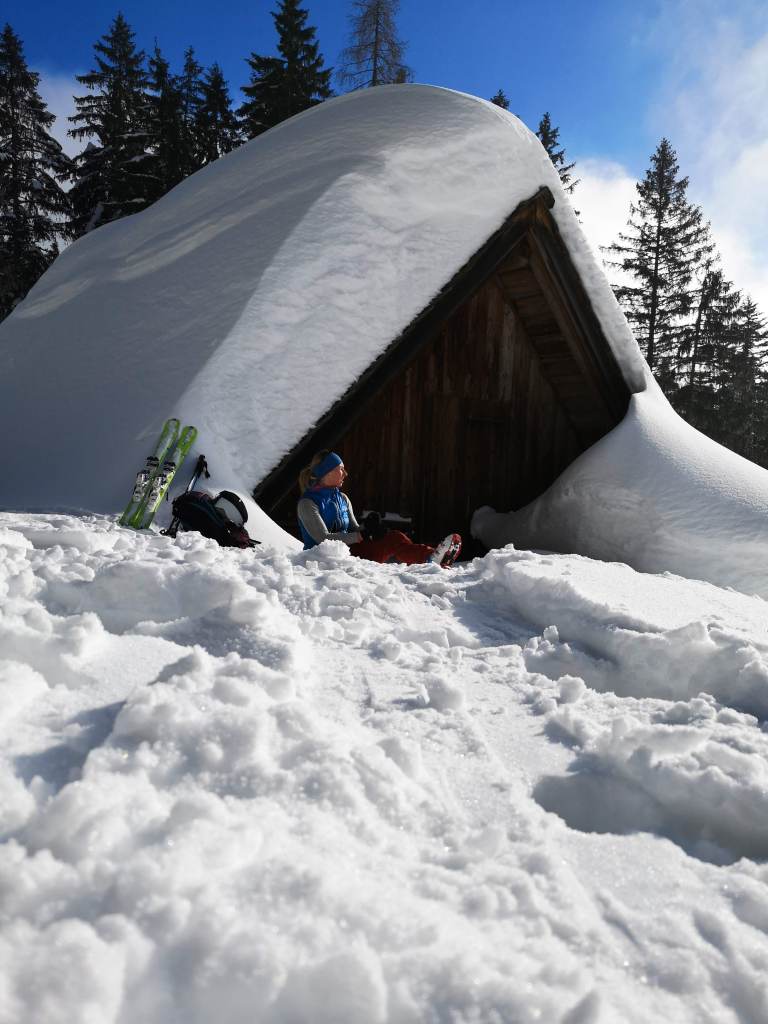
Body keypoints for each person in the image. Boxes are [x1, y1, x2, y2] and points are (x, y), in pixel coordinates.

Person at [297, 450, 461, 567]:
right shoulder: (307, 503)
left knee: (394, 537)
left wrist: (369, 528)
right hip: (322, 563)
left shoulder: (342, 498)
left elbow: (354, 530)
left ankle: (431, 559)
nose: (345, 473)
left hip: (347, 554)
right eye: (340, 469)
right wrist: (361, 535)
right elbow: (323, 539)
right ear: (326, 472)